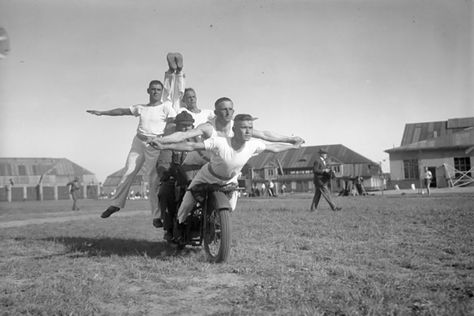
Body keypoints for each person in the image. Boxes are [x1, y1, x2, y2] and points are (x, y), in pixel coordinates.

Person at [149, 113, 300, 225]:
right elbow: (191, 146)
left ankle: (214, 226)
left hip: (230, 179)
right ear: (234, 128)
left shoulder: (254, 144)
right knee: (185, 207)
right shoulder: (220, 142)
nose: (247, 131)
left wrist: (292, 145)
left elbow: (273, 148)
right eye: (243, 128)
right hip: (207, 175)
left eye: (250, 128)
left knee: (229, 210)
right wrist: (164, 145)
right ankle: (178, 228)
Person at [87, 54, 183, 219]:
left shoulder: (167, 107)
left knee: (153, 181)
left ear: (161, 92)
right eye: (152, 89)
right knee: (128, 172)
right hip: (138, 142)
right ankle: (115, 204)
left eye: (158, 90)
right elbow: (122, 111)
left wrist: (164, 141)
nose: (155, 92)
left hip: (155, 144)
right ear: (148, 91)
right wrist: (102, 112)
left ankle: (156, 216)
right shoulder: (141, 108)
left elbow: (173, 123)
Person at [157, 111, 196, 240]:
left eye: (188, 126)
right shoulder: (170, 142)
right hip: (177, 177)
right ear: (176, 127)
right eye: (182, 126)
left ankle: (217, 219)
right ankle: (169, 228)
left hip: (198, 177)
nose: (185, 129)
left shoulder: (200, 141)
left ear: (193, 127)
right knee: (165, 192)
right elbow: (164, 161)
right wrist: (165, 173)